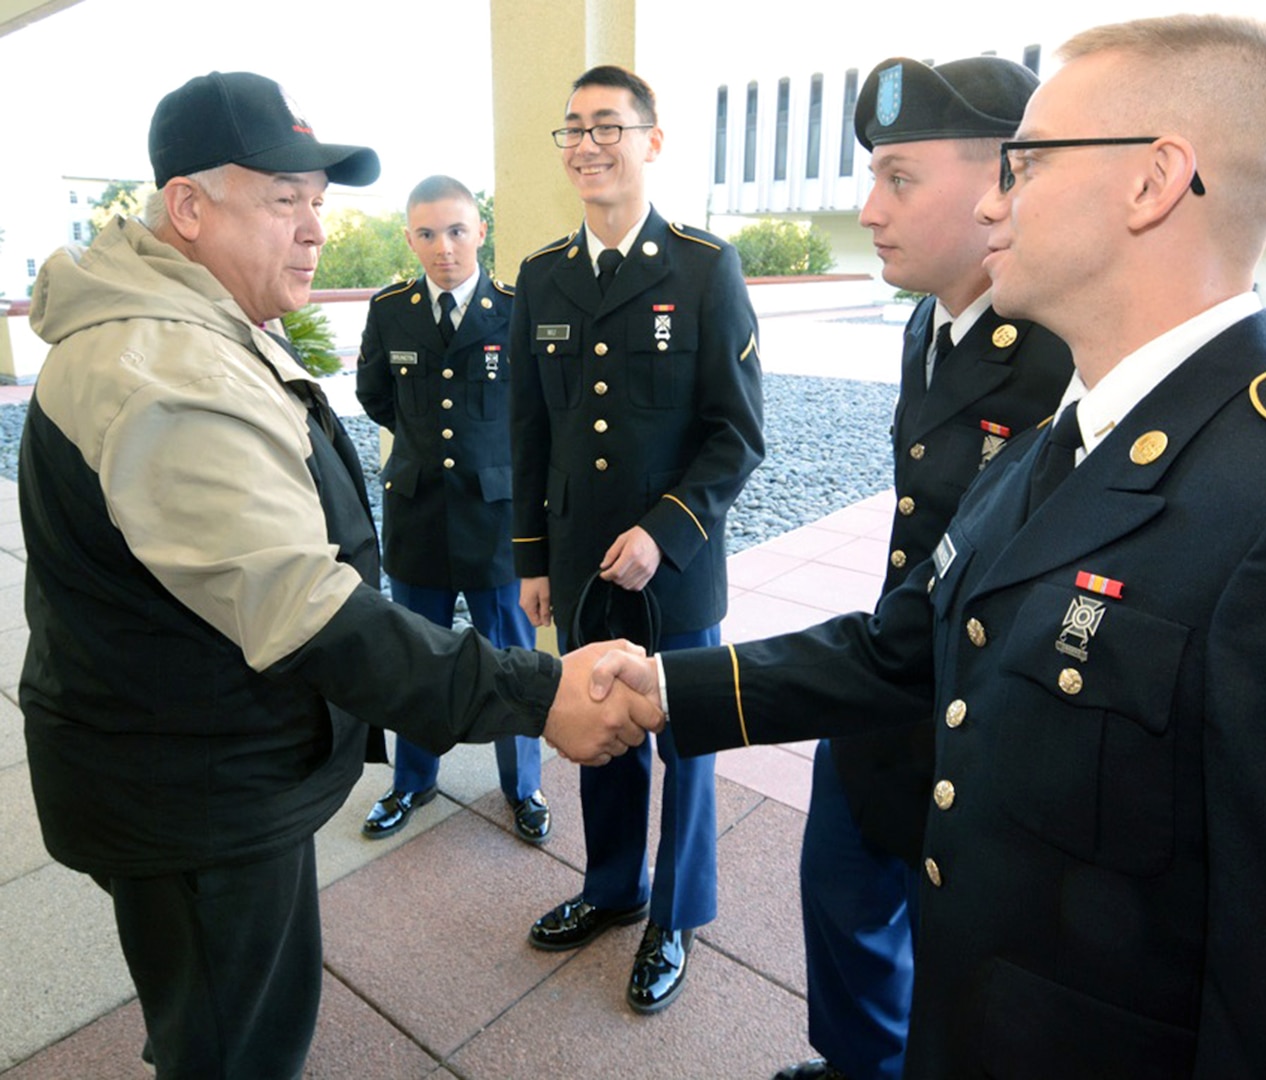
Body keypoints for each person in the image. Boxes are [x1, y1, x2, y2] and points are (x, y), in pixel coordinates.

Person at [594, 15, 1266, 1076]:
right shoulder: (1064, 446)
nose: (988, 200)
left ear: (1152, 182)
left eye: (1026, 162)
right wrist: (659, 689)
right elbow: (910, 648)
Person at [18, 71, 658, 1080]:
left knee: (206, 1008)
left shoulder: (188, 326)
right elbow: (313, 615)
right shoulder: (161, 370)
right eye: (284, 199)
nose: (315, 228)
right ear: (187, 207)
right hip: (191, 791)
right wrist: (542, 694)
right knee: (240, 1043)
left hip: (181, 765)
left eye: (319, 201)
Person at [776, 55, 1072, 1080]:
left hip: (984, 717)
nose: (868, 208)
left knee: (961, 960)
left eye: (898, 179)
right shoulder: (927, 321)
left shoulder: (1059, 361)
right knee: (841, 893)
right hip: (894, 677)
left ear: (1003, 182)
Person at [510, 64, 764, 1014]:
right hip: (581, 563)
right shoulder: (541, 277)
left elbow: (737, 432)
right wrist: (532, 558)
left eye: (607, 126)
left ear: (651, 142)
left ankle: (675, 912)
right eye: (572, 127)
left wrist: (668, 530)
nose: (586, 144)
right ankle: (613, 887)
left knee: (684, 738)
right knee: (598, 727)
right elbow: (527, 429)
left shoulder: (703, 268)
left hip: (679, 566)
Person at [355, 175, 549, 844]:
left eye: (458, 230)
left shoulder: (516, 310)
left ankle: (523, 786)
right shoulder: (391, 309)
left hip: (497, 518)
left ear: (480, 231)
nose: (445, 247)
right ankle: (413, 781)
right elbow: (376, 394)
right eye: (429, 234)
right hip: (417, 515)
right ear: (411, 238)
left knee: (511, 656)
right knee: (413, 655)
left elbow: (535, 410)